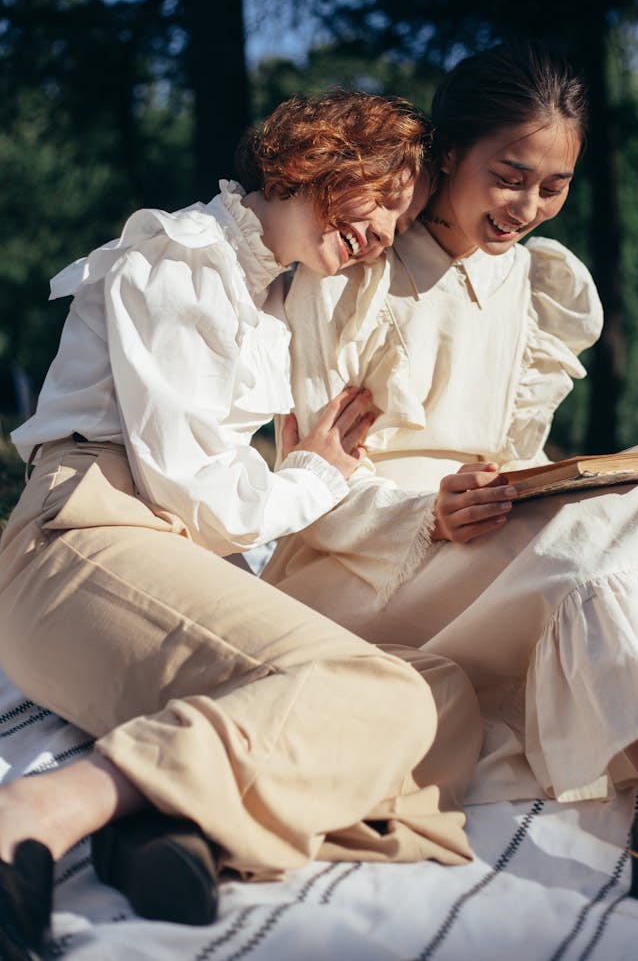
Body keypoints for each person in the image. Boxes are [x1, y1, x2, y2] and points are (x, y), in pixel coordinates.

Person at [262, 43, 638, 919]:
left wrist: (549, 482)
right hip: (355, 567)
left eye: (553, 185)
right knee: (609, 523)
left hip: (491, 546)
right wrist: (429, 512)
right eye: (510, 175)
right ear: (450, 152)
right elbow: (305, 477)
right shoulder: (360, 266)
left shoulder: (533, 280)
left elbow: (513, 449)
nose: (527, 207)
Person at [0, 90, 482, 961]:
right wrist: (310, 476)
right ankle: (34, 813)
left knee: (443, 688)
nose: (381, 234)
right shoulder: (182, 257)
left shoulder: (270, 296)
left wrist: (319, 475)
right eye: (381, 198)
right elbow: (201, 496)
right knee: (379, 698)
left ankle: (175, 822)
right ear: (322, 156)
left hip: (165, 554)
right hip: (79, 539)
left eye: (401, 220)